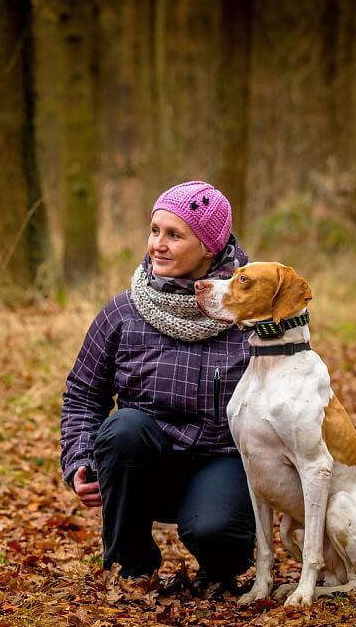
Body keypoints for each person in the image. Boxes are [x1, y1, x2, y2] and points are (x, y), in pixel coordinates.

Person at [59, 180, 255, 593]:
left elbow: (288, 400)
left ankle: (220, 566)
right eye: (154, 231)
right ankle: (132, 565)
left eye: (174, 234)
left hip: (222, 460)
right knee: (124, 428)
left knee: (217, 534)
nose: (157, 245)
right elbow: (82, 394)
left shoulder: (249, 317)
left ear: (209, 247)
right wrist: (78, 458)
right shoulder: (124, 312)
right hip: (146, 464)